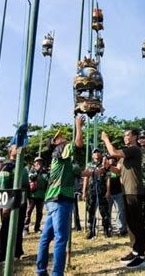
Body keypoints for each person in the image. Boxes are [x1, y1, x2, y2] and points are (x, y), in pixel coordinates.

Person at [36, 116, 90, 276]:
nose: (62, 137)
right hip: (60, 200)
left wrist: (96, 171)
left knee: (46, 237)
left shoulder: (64, 161)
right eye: (59, 137)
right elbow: (79, 144)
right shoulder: (60, 151)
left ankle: (40, 271)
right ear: (55, 143)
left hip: (53, 200)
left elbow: (79, 172)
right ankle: (57, 273)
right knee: (61, 239)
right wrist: (78, 125)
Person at [102, 129, 145, 269]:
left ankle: (141, 254)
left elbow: (113, 153)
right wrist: (109, 166)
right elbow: (119, 170)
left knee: (137, 223)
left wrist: (106, 139)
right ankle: (135, 251)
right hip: (126, 191)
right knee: (131, 223)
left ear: (134, 137)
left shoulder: (134, 149)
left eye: (128, 135)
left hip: (134, 191)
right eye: (124, 136)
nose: (125, 138)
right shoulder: (126, 153)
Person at [0, 145, 29, 263]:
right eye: (16, 147)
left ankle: (18, 252)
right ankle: (3, 254)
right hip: (10, 200)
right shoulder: (7, 167)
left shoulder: (23, 166)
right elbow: (4, 185)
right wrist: (5, 205)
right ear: (10, 152)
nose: (19, 148)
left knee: (19, 226)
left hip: (22, 200)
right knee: (6, 227)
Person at [83, 148, 111, 239]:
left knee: (104, 212)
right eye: (95, 152)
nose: (96, 154)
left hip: (102, 191)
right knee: (91, 211)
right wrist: (84, 191)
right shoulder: (89, 165)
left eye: (98, 152)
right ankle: (92, 231)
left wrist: (108, 191)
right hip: (91, 191)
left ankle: (106, 230)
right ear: (92, 155)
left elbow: (108, 178)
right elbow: (86, 178)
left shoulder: (104, 164)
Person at [24, 156, 48, 235]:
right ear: (34, 163)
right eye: (37, 161)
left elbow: (47, 180)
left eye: (40, 161)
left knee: (39, 212)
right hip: (32, 195)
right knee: (29, 211)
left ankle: (37, 228)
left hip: (41, 195)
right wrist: (37, 172)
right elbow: (32, 178)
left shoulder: (45, 171)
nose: (39, 163)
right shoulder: (31, 170)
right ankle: (25, 228)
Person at [106, 156, 127, 236]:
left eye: (113, 159)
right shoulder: (107, 169)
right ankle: (108, 227)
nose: (111, 160)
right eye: (109, 159)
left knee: (120, 211)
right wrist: (108, 191)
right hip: (110, 194)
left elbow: (122, 179)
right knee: (108, 211)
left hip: (118, 193)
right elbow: (108, 180)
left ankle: (121, 228)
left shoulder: (118, 168)